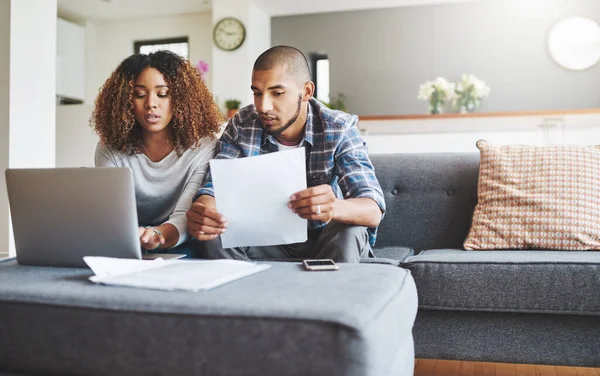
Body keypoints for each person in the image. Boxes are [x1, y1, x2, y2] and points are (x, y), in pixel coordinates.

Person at [186, 45, 386, 263]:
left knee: (351, 230)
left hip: (324, 241)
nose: (263, 106)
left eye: (277, 93)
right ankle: (241, 296)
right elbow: (215, 187)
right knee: (215, 232)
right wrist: (206, 208)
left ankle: (329, 295)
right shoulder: (242, 125)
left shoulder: (338, 128)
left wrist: (333, 207)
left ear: (307, 92)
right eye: (257, 93)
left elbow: (372, 209)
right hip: (264, 240)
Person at [91, 50, 223, 257]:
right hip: (127, 240)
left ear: (181, 99)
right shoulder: (110, 147)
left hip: (180, 240)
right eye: (139, 94)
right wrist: (134, 236)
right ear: (126, 101)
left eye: (162, 94)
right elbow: (111, 213)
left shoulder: (203, 147)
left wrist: (155, 235)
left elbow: (185, 215)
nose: (151, 103)